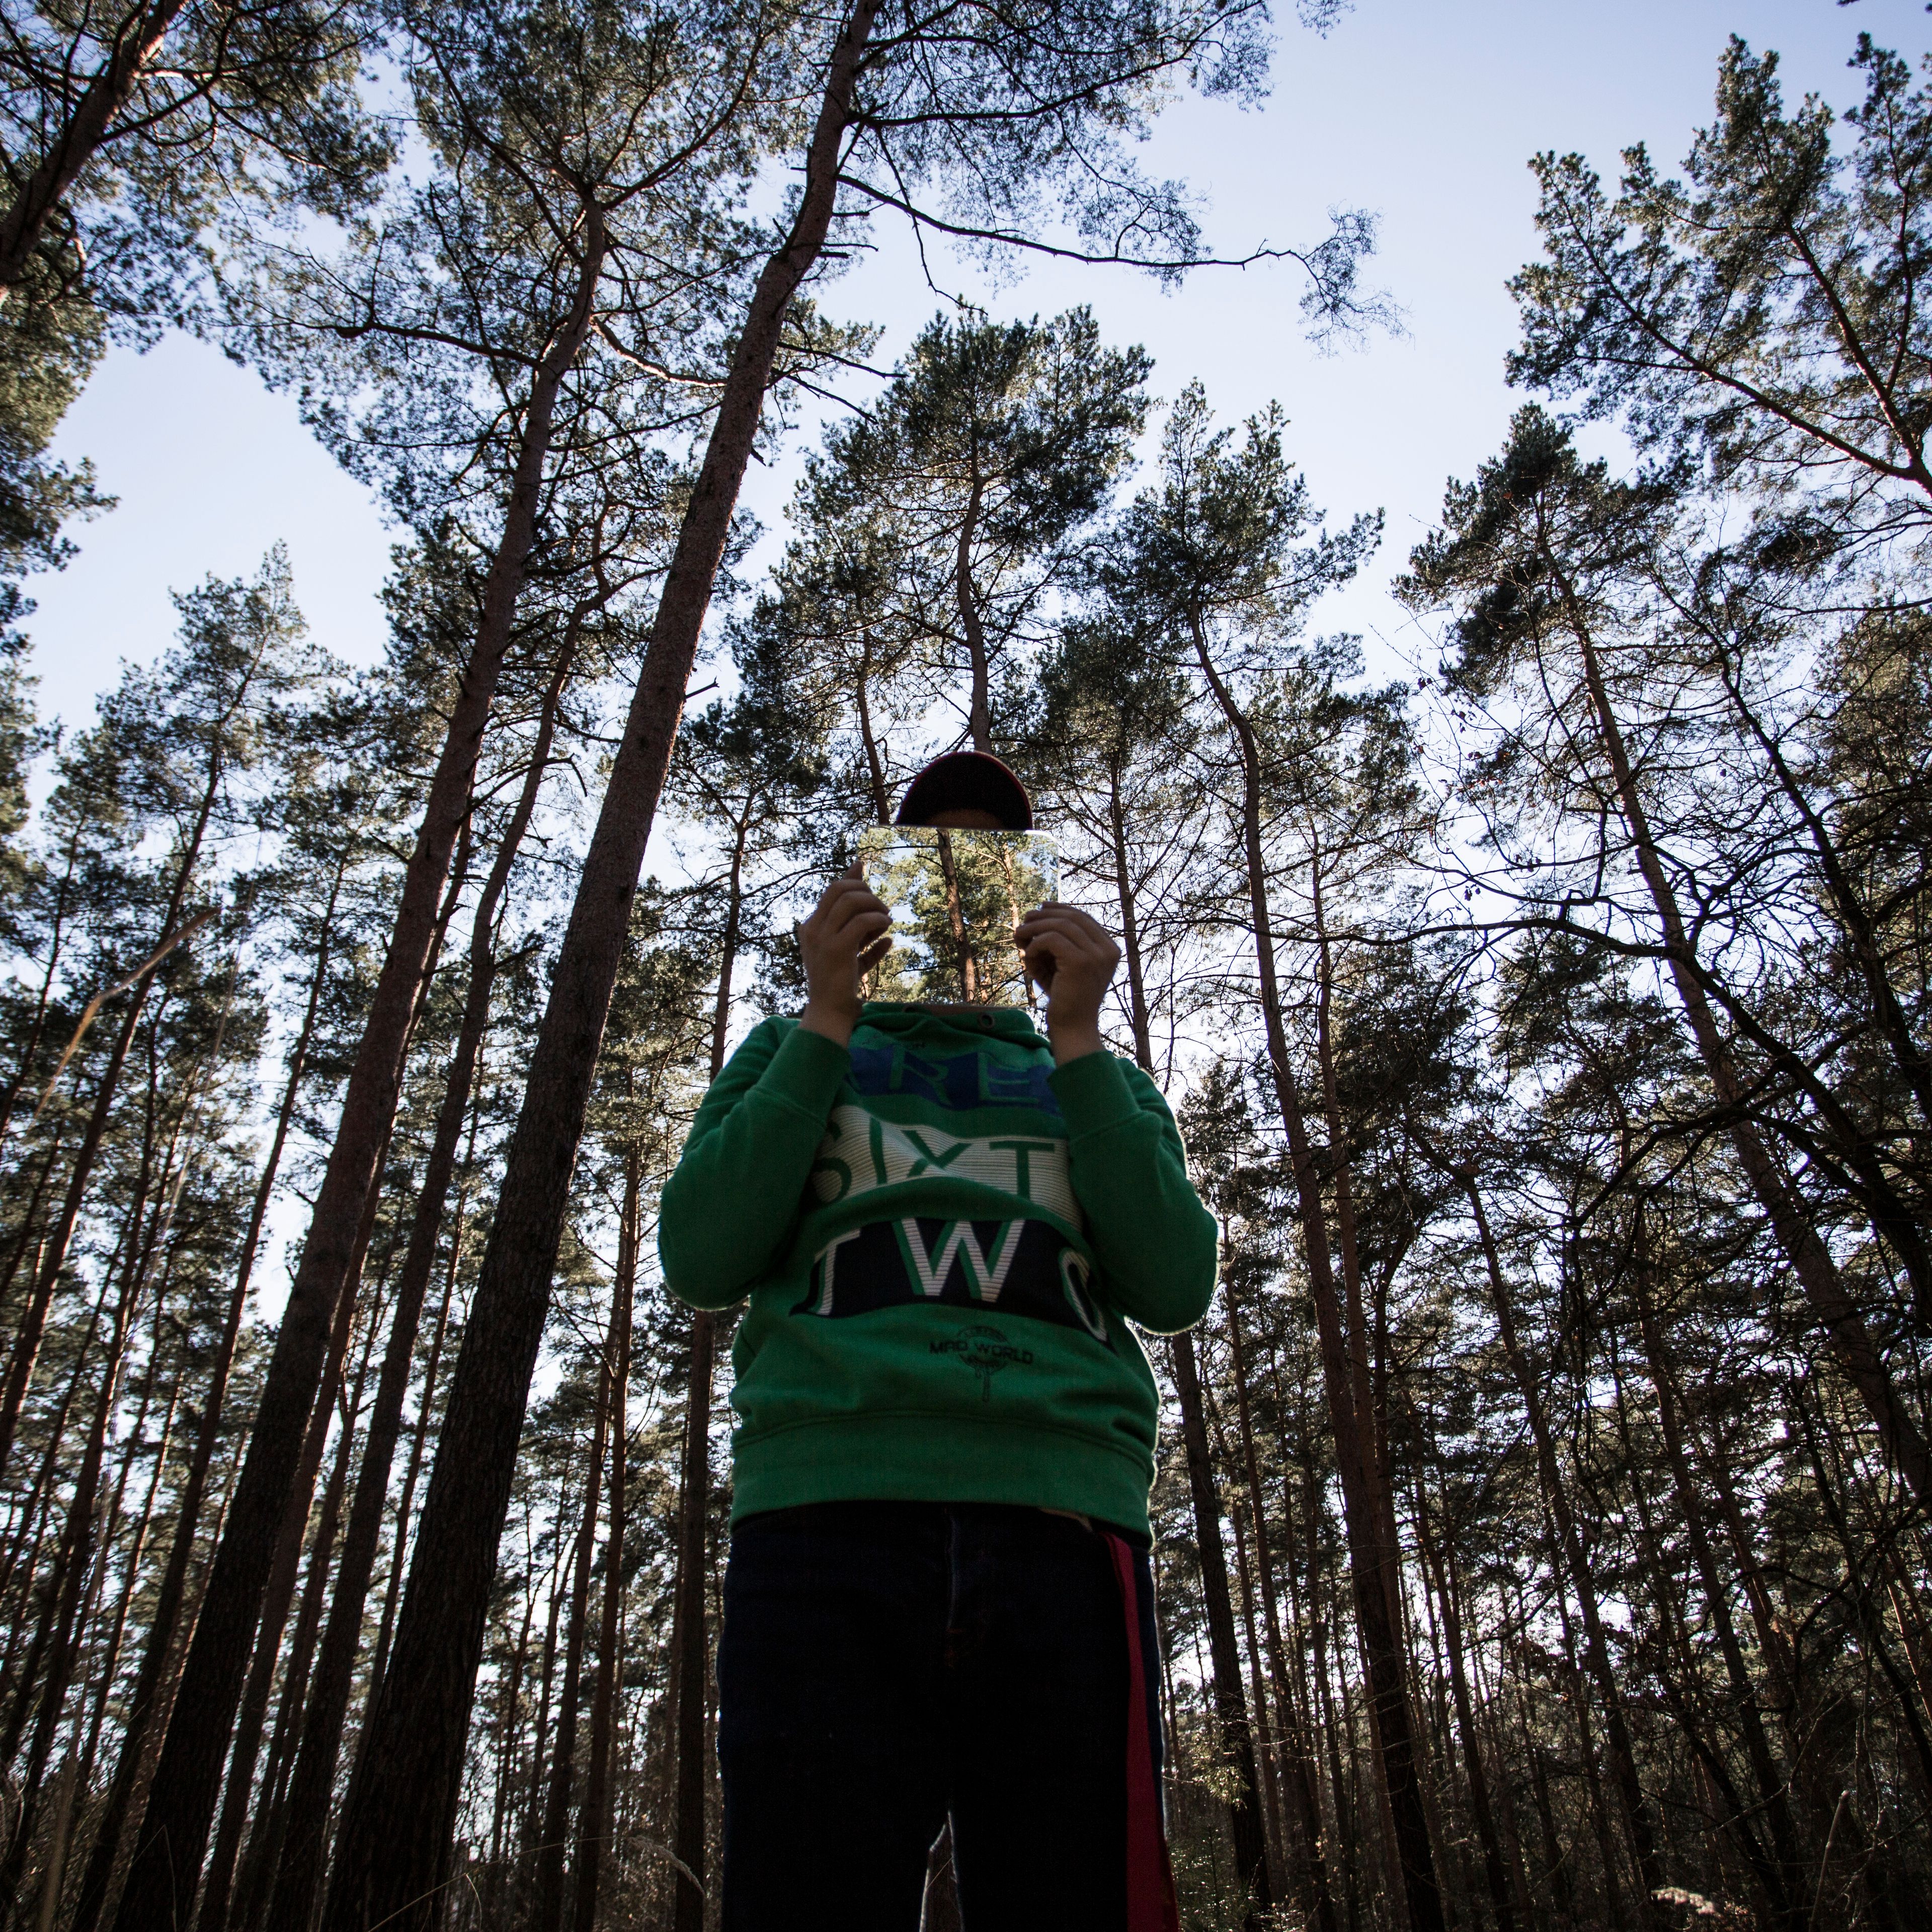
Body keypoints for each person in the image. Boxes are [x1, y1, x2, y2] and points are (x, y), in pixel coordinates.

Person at [658, 749, 1219, 1932]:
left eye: (996, 866)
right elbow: (703, 1257)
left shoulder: (1093, 1078)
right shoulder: (792, 1050)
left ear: (1033, 910)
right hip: (824, 1518)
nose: (963, 891)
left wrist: (1079, 1041)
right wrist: (824, 1013)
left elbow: (1173, 1283)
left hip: (1065, 1527)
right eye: (934, 860)